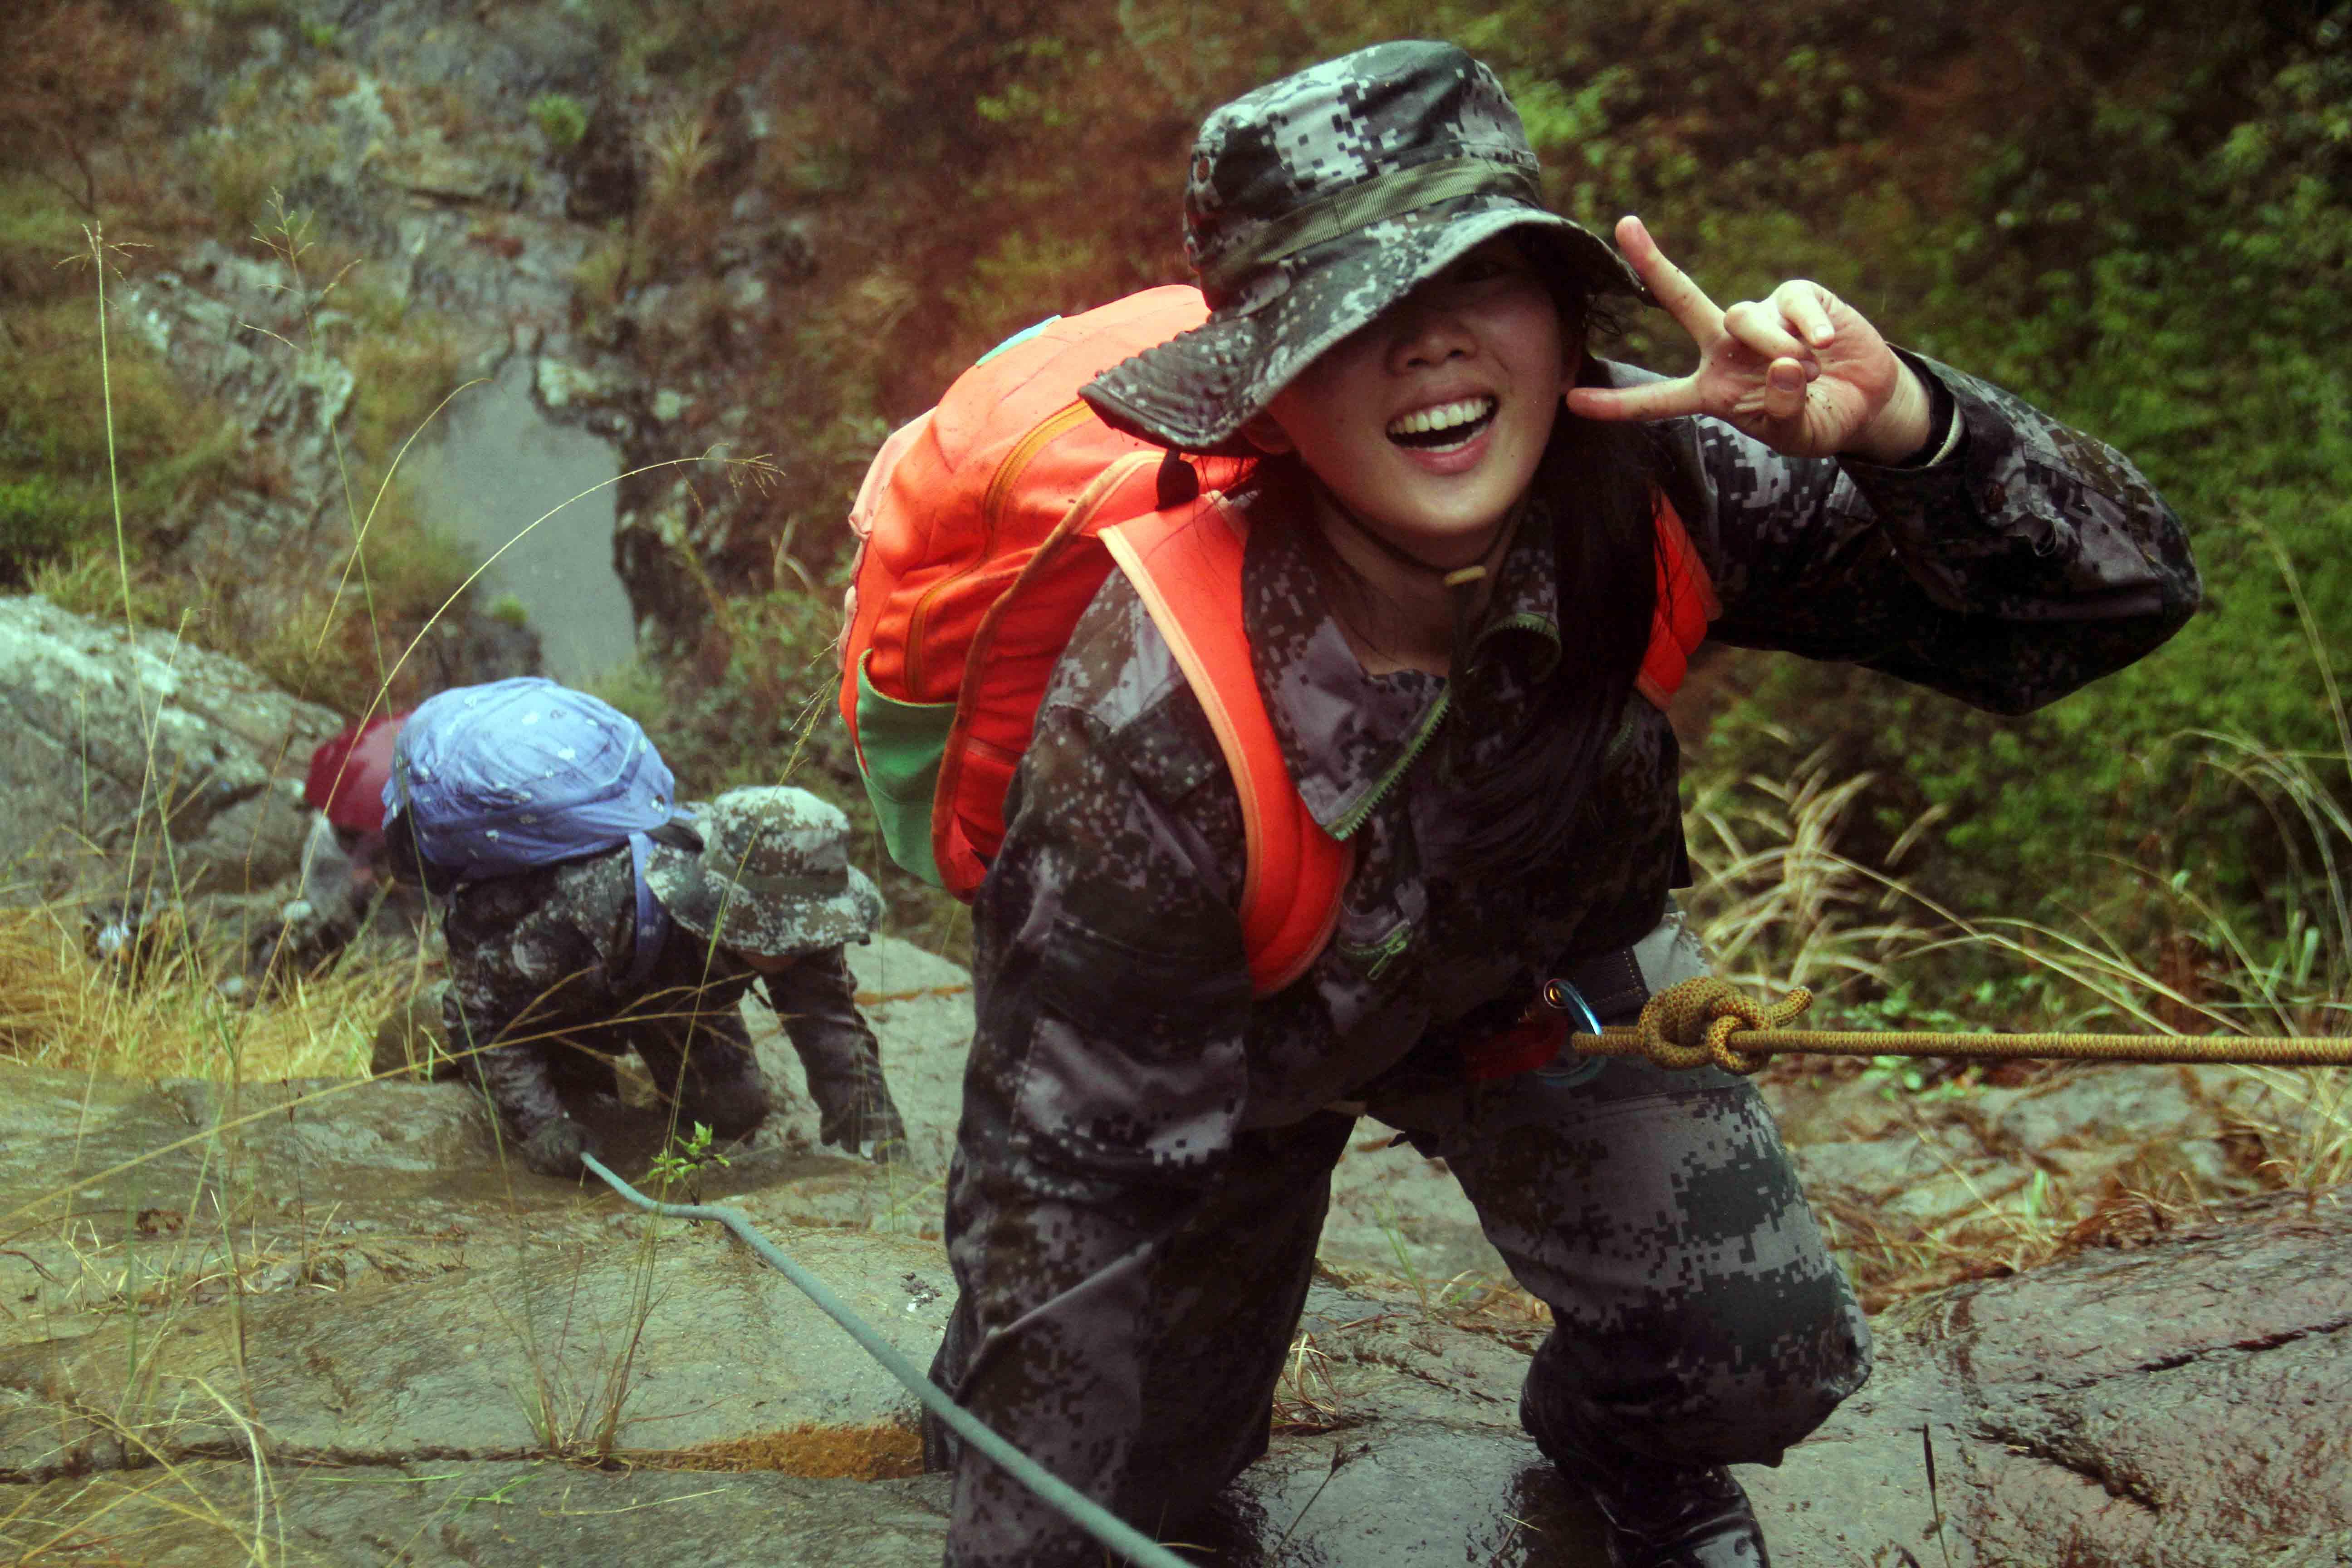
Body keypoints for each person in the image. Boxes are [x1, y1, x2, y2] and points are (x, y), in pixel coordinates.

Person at [925, 41, 2199, 1568]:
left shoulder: (1662, 489)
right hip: (1226, 1072)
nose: (1427, 346)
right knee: (1134, 1484)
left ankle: (1614, 1447)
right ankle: (994, 1385)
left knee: (1758, 1355)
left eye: (1482, 278)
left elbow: (2111, 605)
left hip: (1538, 986)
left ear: (1556, 316)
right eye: (1352, 313)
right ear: (1265, 390)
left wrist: (1906, 427)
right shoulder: (1148, 711)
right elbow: (1066, 1179)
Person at [389, 768, 910, 1179]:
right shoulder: (596, 907)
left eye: (813, 930)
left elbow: (834, 1040)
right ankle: (432, 1018)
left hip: (668, 982)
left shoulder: (802, 915)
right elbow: (491, 1017)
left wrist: (882, 1156)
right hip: (550, 983)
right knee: (582, 1115)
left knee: (735, 1111)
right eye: (790, 934)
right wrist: (541, 1125)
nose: (808, 946)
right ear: (734, 920)